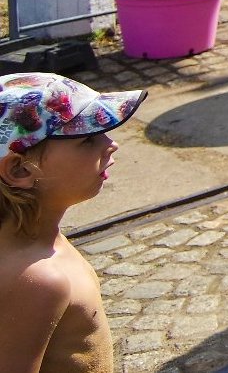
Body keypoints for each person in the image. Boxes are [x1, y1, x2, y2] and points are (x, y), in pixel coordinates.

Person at [0, 73, 147, 373]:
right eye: (88, 139)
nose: (111, 144)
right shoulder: (39, 281)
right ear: (19, 169)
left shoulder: (40, 239)